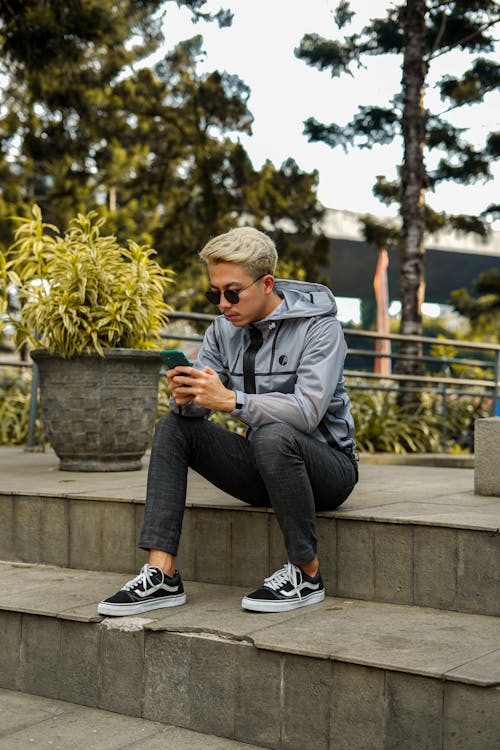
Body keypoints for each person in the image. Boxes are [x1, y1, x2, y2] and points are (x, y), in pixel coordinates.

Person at [98, 227, 358, 616]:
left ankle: (307, 574)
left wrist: (232, 400)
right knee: (173, 426)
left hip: (328, 469)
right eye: (214, 294)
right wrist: (187, 397)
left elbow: (307, 411)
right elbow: (202, 405)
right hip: (265, 466)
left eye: (232, 293)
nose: (222, 304)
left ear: (267, 283)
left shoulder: (321, 327)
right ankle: (162, 574)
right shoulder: (222, 331)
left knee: (272, 435)